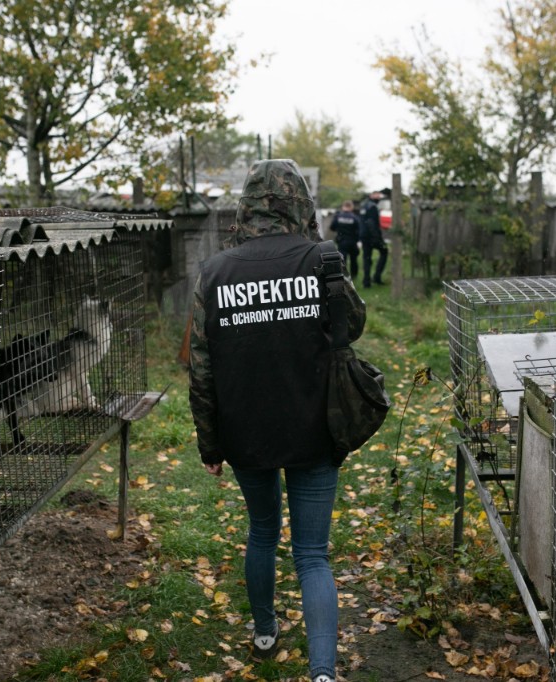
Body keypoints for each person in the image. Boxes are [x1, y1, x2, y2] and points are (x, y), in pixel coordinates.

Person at [188, 159, 366, 682]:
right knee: (313, 554)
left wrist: (209, 444)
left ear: (245, 208)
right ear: (302, 204)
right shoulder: (324, 258)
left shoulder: (215, 272)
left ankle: (265, 632)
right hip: (314, 425)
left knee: (263, 531)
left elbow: (201, 368)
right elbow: (352, 326)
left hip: (246, 432)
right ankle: (323, 672)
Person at [359, 192, 388, 288]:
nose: (379, 197)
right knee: (384, 251)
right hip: (372, 236)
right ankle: (377, 277)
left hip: (364, 236)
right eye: (377, 195)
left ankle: (366, 282)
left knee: (367, 258)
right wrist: (377, 238)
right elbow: (371, 223)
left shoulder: (364, 205)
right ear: (371, 195)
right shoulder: (372, 207)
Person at [328, 199, 361, 279]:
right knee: (354, 259)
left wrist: (340, 230)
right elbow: (359, 230)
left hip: (342, 241)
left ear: (343, 206)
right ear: (351, 207)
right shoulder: (355, 217)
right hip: (352, 241)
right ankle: (354, 275)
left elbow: (332, 227)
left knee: (343, 259)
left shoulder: (338, 216)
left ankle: (344, 275)